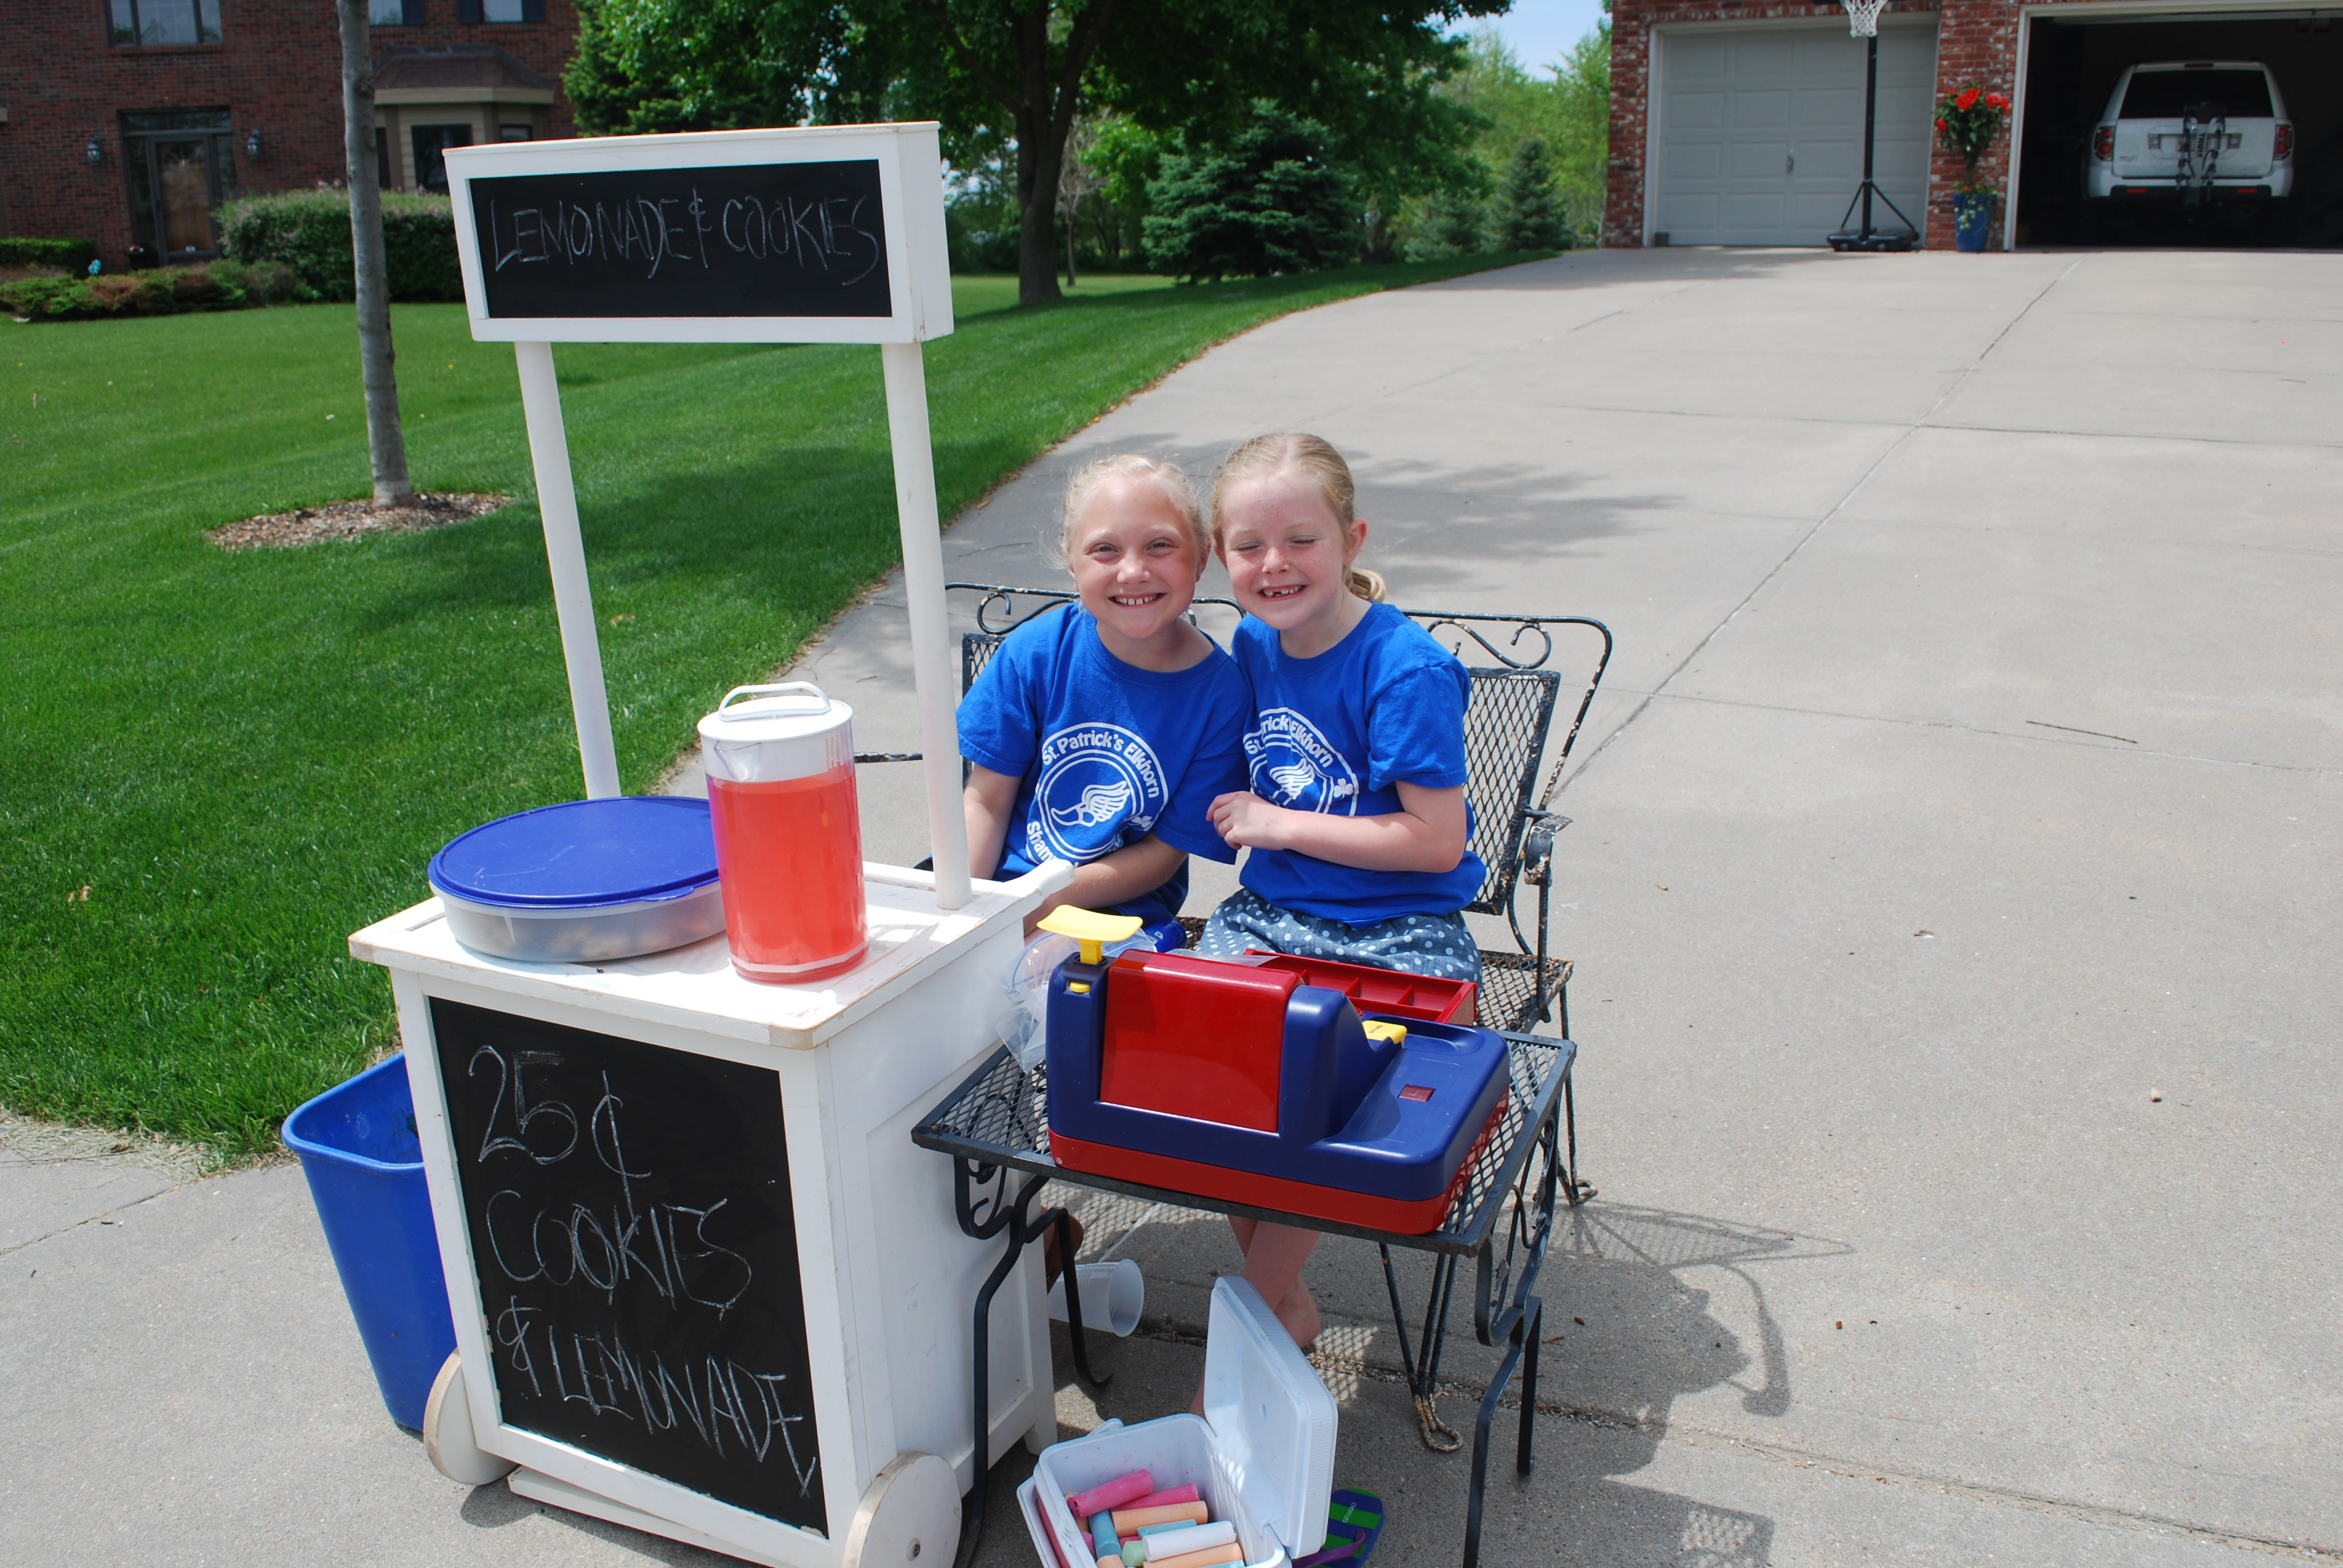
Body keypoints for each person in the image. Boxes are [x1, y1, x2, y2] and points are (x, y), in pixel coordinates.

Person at [1197, 431, 1486, 1357]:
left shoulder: (1405, 669)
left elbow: (1437, 839)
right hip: (1273, 919)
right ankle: (1281, 1310)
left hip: (1396, 929)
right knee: (1206, 1076)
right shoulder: (1253, 642)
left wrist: (1279, 825)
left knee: (1320, 1092)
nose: (1274, 565)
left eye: (1301, 540)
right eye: (1248, 546)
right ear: (1222, 556)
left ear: (1352, 540)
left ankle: (1248, 1326)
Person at [958, 454, 1251, 935]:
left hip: (1118, 916)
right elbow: (984, 802)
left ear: (1200, 556)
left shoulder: (1223, 697)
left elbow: (1162, 856)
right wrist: (965, 913)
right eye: (1105, 550)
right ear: (1071, 561)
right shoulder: (1035, 653)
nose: (1133, 571)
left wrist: (1038, 908)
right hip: (997, 888)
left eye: (1160, 545)